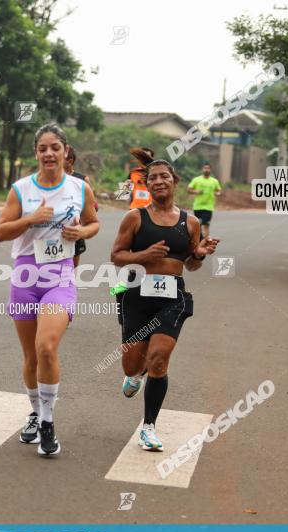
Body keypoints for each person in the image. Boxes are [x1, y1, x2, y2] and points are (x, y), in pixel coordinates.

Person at [0, 123, 100, 457]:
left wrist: (82, 232)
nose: (49, 153)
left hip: (60, 276)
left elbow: (94, 222)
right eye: (42, 148)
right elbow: (1, 232)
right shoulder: (21, 189)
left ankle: (48, 421)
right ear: (36, 153)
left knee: (46, 347)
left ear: (65, 151)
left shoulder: (79, 187)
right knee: (29, 356)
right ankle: (34, 411)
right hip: (25, 275)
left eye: (55, 147)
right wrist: (30, 219)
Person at [111, 150, 219, 450]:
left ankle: (148, 426)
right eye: (153, 177)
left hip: (172, 298)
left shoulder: (191, 222)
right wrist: (143, 256)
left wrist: (199, 254)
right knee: (132, 364)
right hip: (136, 295)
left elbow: (191, 264)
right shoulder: (134, 218)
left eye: (165, 177)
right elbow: (116, 256)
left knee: (159, 359)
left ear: (175, 182)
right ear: (146, 183)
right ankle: (136, 374)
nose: (159, 181)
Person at [64, 146, 99, 268]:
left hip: (74, 230)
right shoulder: (50, 179)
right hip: (52, 231)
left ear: (70, 161)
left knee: (71, 273)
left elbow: (93, 205)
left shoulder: (82, 180)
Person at [187, 163, 222, 238]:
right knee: (197, 226)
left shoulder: (214, 181)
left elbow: (219, 190)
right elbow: (189, 189)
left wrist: (217, 193)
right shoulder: (196, 180)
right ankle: (198, 241)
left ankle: (206, 243)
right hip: (197, 206)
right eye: (205, 168)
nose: (206, 170)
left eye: (208, 168)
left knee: (205, 225)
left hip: (208, 207)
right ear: (202, 169)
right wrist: (195, 191)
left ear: (210, 170)